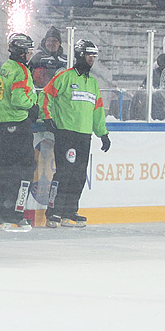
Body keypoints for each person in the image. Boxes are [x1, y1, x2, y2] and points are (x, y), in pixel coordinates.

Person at [42, 39, 111, 228]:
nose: (92, 60)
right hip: (66, 134)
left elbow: (97, 111)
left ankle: (69, 211)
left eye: (94, 56)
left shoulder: (93, 83)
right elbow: (46, 94)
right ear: (80, 55)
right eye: (89, 55)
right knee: (64, 173)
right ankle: (53, 212)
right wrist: (47, 117)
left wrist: (102, 134)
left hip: (84, 136)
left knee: (79, 175)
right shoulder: (65, 77)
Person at [0, 33, 39, 231]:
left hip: (1, 125)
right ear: (22, 52)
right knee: (24, 170)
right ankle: (15, 215)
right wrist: (33, 105)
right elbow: (19, 99)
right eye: (29, 51)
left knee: (2, 170)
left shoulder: (6, 67)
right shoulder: (21, 71)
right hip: (18, 125)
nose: (30, 54)